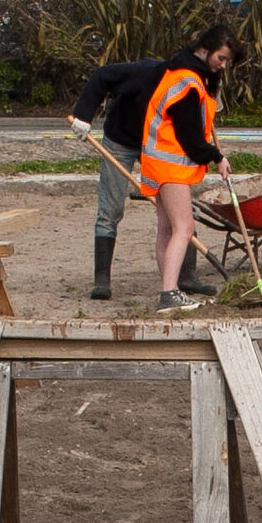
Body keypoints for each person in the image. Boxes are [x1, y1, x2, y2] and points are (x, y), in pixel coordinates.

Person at [131, 24, 240, 312]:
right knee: (184, 227)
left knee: (166, 229)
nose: (223, 65)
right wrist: (217, 156)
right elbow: (190, 138)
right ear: (205, 49)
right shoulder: (188, 84)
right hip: (171, 164)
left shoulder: (177, 71)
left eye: (227, 61)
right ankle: (169, 293)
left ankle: (169, 289)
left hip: (157, 162)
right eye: (221, 58)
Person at [65, 46, 171, 301]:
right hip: (120, 139)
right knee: (111, 208)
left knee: (176, 206)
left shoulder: (191, 87)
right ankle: (102, 279)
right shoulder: (144, 74)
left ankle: (186, 276)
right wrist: (83, 116)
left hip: (156, 144)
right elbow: (101, 76)